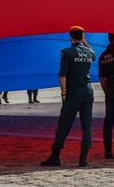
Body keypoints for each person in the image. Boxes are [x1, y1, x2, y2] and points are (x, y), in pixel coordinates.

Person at [41, 26, 96, 167]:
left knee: (64, 125)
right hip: (88, 91)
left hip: (73, 92)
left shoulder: (67, 53)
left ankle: (55, 156)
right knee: (87, 126)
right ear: (82, 37)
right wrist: (85, 42)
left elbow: (62, 75)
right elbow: (93, 54)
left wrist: (63, 92)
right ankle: (83, 158)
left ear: (70, 36)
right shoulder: (89, 52)